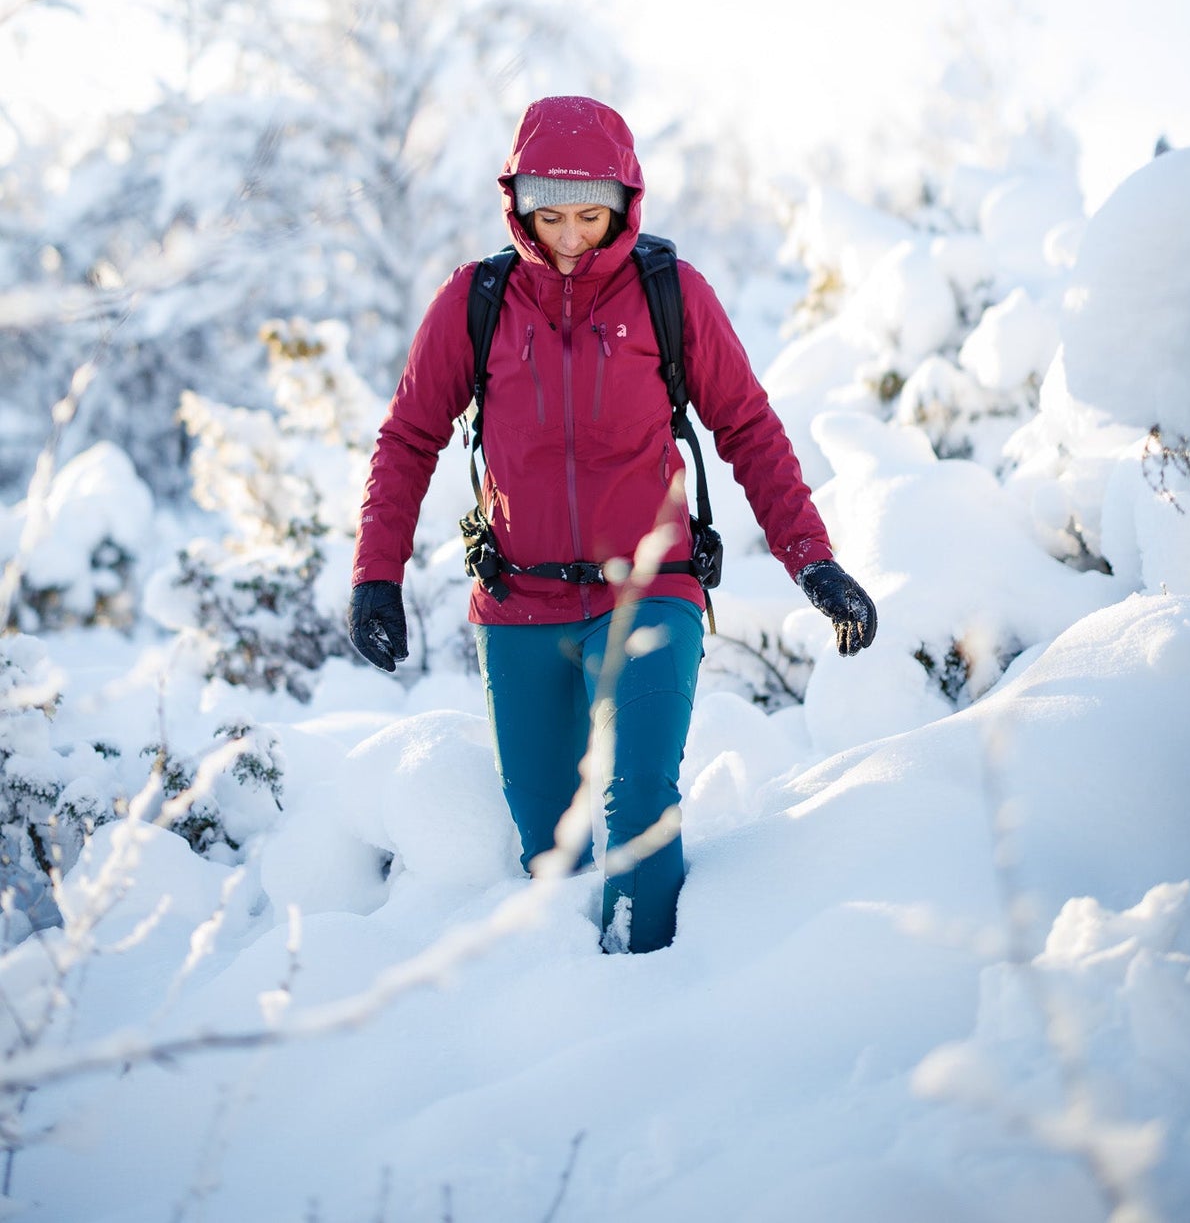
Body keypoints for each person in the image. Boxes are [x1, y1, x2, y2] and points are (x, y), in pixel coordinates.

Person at [347, 96, 877, 953]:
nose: (568, 237)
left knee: (637, 810)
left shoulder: (669, 293)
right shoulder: (476, 302)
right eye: (547, 216)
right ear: (516, 204)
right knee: (551, 854)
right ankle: (567, 1018)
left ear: (625, 202)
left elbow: (748, 426)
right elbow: (409, 437)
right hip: (519, 608)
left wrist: (812, 561)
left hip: (650, 593)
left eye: (589, 216)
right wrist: (378, 574)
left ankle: (647, 1005)